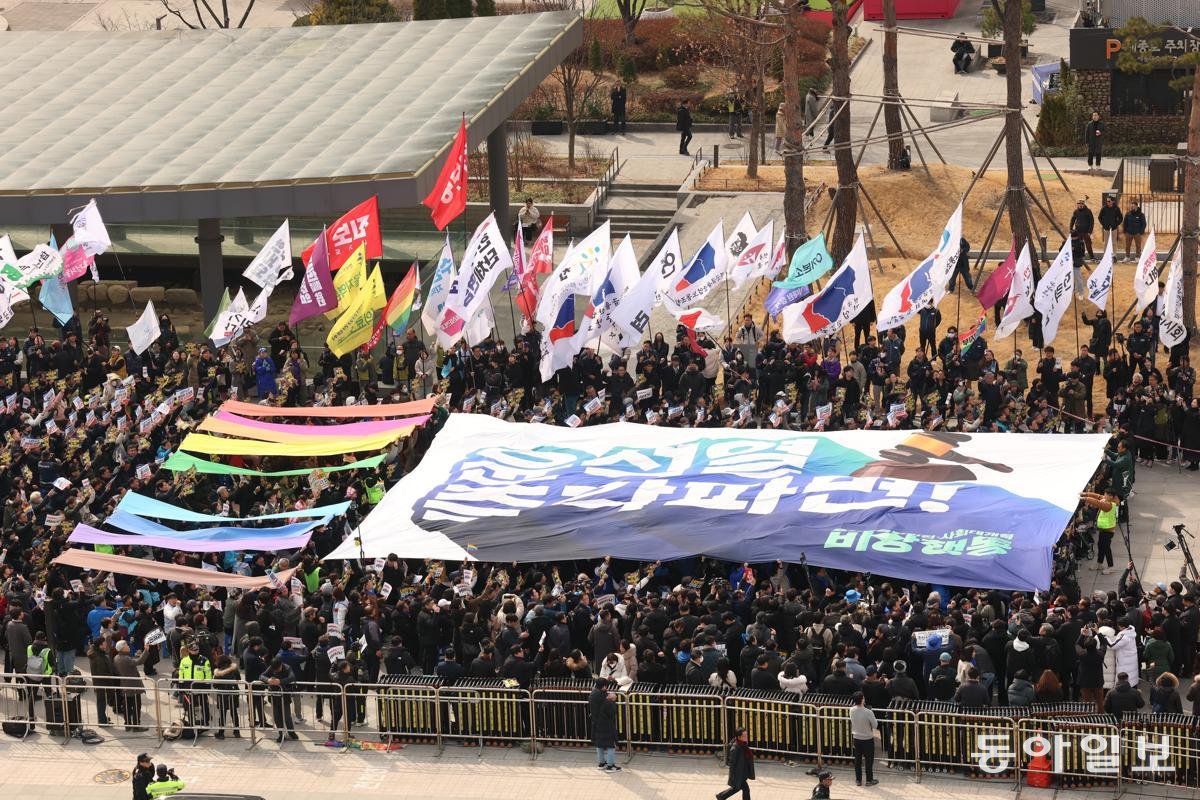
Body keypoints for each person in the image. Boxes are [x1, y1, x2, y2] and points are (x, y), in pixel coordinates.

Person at [1080, 490, 1117, 574]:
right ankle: (1099, 563)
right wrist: (1085, 494)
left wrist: (1085, 498)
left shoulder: (1108, 505)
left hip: (1108, 531)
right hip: (1103, 529)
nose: (1104, 496)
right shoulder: (1106, 500)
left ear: (1110, 496)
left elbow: (1098, 503)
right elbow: (1097, 496)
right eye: (1104, 494)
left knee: (1106, 548)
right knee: (1101, 546)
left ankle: (1111, 567)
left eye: (1106, 495)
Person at [589, 678, 622, 771]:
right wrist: (612, 700)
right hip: (606, 723)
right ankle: (610, 765)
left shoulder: (592, 695)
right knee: (610, 744)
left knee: (599, 744)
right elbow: (611, 712)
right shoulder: (605, 697)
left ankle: (601, 763)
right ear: (604, 686)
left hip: (596, 723)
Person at [849, 691, 879, 786]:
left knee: (857, 760)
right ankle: (869, 780)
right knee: (868, 761)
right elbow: (875, 725)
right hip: (867, 738)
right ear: (862, 700)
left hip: (856, 737)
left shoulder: (851, 710)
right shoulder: (868, 712)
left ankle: (858, 780)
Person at [717, 727, 755, 800]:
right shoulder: (736, 747)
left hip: (742, 772)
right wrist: (733, 776)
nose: (746, 737)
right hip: (738, 774)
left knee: (739, 788)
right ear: (739, 737)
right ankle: (720, 796)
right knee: (743, 789)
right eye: (744, 736)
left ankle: (721, 796)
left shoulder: (743, 744)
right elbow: (732, 763)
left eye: (746, 735)